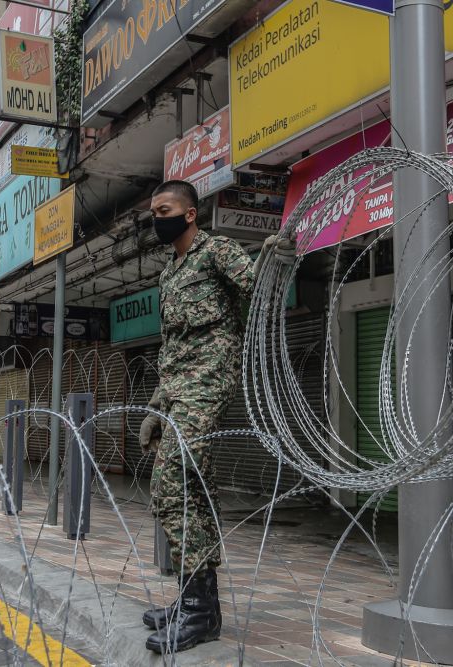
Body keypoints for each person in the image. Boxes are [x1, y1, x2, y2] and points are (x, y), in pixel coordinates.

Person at [138, 180, 294, 653]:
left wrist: (275, 262)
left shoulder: (216, 252)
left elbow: (258, 289)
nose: (155, 219)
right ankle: (195, 599)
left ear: (188, 214)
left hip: (209, 380)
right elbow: (174, 345)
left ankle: (199, 611)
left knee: (172, 483)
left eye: (163, 210)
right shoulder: (170, 272)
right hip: (179, 387)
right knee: (192, 491)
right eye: (153, 212)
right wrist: (158, 402)